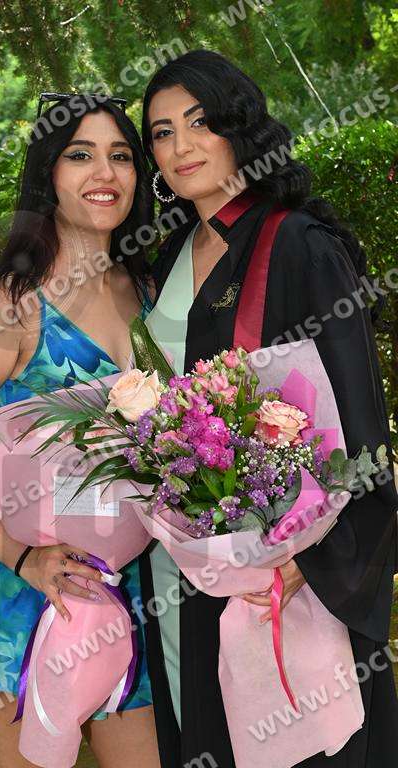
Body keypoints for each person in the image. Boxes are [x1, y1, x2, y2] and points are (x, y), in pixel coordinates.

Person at [138, 49, 398, 767]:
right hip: (192, 565)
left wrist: (308, 560)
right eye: (161, 132)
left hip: (291, 574)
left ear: (239, 126)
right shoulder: (170, 256)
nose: (181, 146)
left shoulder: (299, 245)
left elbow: (359, 424)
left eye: (199, 122)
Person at [0, 95, 160, 768]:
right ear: (49, 174)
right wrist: (24, 559)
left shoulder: (151, 289)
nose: (104, 172)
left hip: (127, 580)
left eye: (121, 156)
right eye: (80, 155)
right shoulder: (14, 302)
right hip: (19, 579)